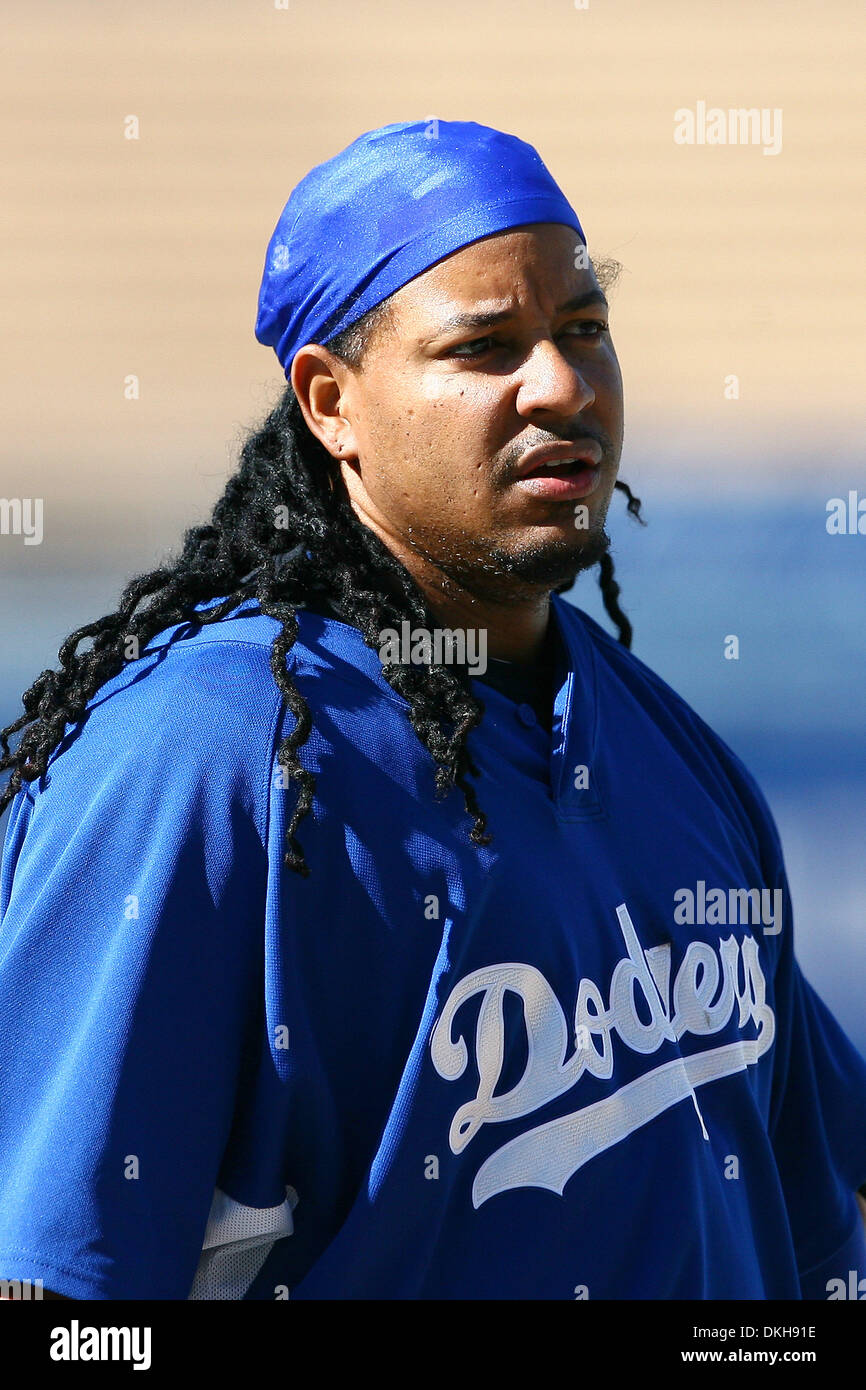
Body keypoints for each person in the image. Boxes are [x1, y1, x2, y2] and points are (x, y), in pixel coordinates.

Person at [1, 119, 865, 1301]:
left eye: (581, 330)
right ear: (330, 404)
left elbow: (819, 1224)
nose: (559, 384)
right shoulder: (199, 760)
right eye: (485, 346)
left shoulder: (674, 758)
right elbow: (52, 1289)